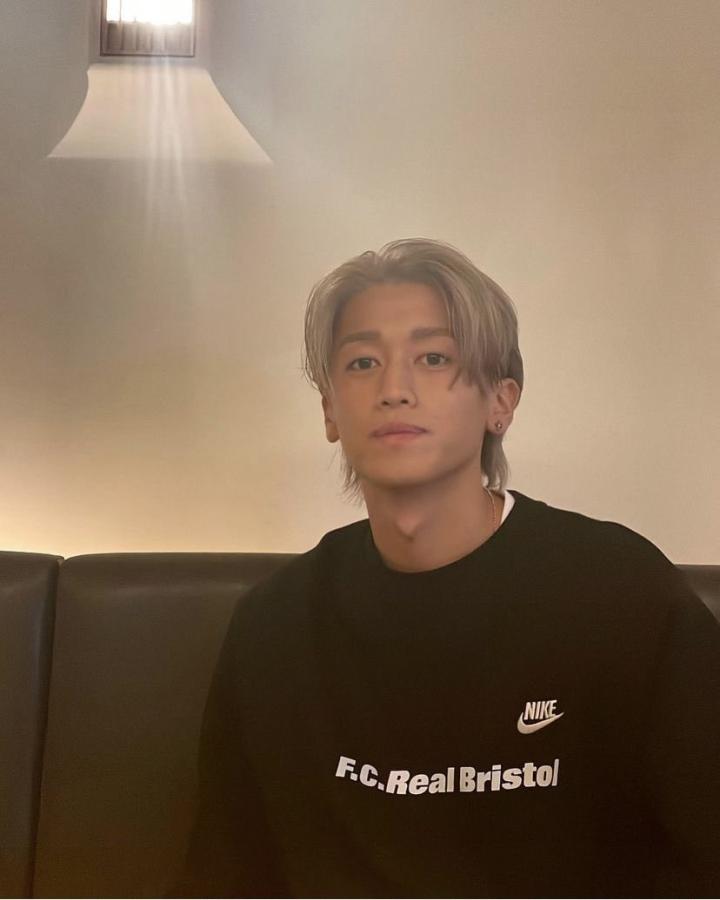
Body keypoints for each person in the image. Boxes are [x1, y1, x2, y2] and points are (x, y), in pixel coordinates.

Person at [174, 238, 720, 898]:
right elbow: (224, 873)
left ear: (501, 402)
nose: (394, 389)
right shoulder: (273, 625)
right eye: (363, 362)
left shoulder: (622, 594)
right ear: (329, 411)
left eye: (434, 358)